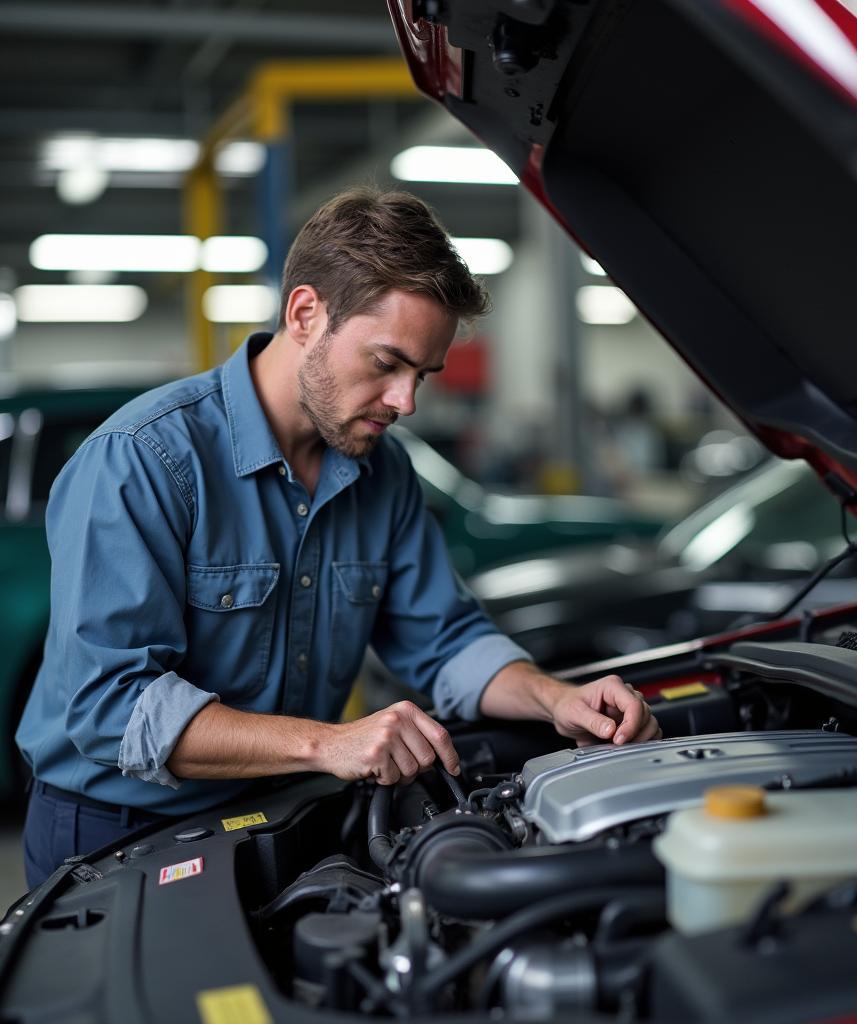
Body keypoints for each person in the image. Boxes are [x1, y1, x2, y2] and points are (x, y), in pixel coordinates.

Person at [16, 187, 660, 887]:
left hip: (280, 807)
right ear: (304, 313)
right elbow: (111, 708)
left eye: (424, 375)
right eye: (387, 363)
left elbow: (444, 640)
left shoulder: (384, 473)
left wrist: (554, 697)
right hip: (115, 830)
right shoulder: (143, 460)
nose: (406, 402)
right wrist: (331, 744)